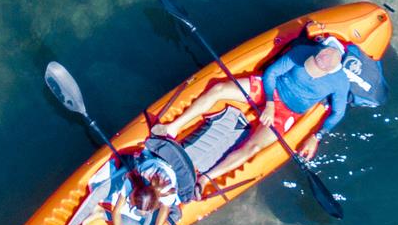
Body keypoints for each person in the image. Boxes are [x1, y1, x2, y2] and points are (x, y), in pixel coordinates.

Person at [151, 35, 354, 183]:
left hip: (288, 112)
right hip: (270, 90)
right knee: (219, 89)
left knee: (254, 147)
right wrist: (269, 103)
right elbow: (272, 74)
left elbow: (338, 113)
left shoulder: (339, 83)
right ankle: (172, 128)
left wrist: (316, 136)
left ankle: (206, 178)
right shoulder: (303, 53)